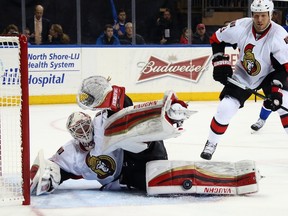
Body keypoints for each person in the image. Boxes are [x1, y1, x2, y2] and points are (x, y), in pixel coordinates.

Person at [30, 76, 193, 195]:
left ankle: (168, 115)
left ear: (90, 121)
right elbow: (54, 166)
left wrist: (108, 95)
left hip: (142, 153)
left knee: (121, 128)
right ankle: (185, 178)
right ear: (73, 134)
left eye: (85, 126)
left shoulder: (102, 122)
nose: (84, 131)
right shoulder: (71, 152)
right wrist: (48, 176)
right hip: (127, 175)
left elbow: (125, 108)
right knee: (150, 183)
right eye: (79, 130)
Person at [200, 0, 288, 160]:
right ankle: (211, 143)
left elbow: (284, 68)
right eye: (256, 16)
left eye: (263, 15)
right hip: (244, 75)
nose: (259, 20)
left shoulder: (280, 35)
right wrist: (219, 61)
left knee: (285, 104)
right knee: (225, 108)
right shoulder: (241, 26)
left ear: (270, 15)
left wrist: (276, 91)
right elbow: (216, 39)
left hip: (271, 74)